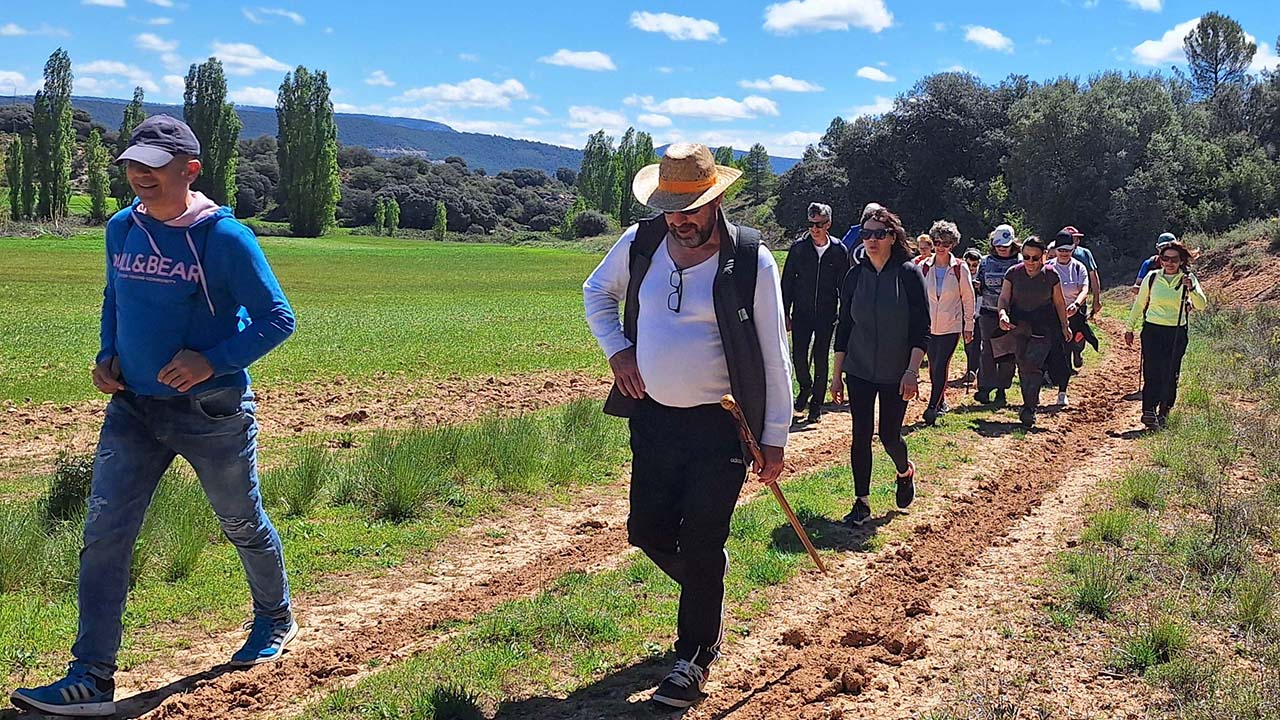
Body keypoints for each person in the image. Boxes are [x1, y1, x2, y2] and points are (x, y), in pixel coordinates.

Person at [10, 116, 298, 718]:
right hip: (133, 409)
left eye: (154, 165)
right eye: (132, 164)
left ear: (190, 170)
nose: (139, 174)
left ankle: (275, 617)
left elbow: (277, 318)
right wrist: (106, 353)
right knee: (104, 536)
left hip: (209, 410)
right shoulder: (122, 227)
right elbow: (116, 296)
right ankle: (91, 677)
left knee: (241, 521)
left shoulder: (226, 239)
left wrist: (210, 361)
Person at [583, 143, 791, 709]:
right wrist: (618, 351)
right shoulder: (641, 242)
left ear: (716, 199)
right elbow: (596, 293)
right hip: (652, 420)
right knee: (646, 533)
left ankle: (694, 655)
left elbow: (774, 354)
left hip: (721, 427)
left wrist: (775, 436)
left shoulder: (752, 259)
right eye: (671, 208)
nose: (681, 220)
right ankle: (707, 584)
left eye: (692, 207)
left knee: (701, 541)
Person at [830, 206, 928, 527]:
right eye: (866, 234)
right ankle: (861, 502)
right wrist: (836, 376)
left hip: (896, 372)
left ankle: (904, 470)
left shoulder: (908, 274)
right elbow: (844, 326)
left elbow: (920, 329)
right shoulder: (854, 275)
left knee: (888, 436)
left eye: (879, 234)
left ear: (892, 237)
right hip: (858, 369)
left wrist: (911, 371)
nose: (872, 240)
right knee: (860, 435)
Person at [1125, 239, 1207, 428]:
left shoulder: (1189, 279)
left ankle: (1165, 409)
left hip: (1177, 331)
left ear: (1181, 261)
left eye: (1174, 259)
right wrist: (1129, 328)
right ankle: (1148, 410)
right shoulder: (1152, 277)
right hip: (1153, 330)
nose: (1169, 263)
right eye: (1165, 259)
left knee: (1171, 372)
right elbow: (1140, 303)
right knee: (1152, 371)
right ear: (1160, 260)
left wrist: (1191, 289)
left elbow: (1201, 305)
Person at [781, 202, 849, 423]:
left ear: (828, 223)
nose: (814, 228)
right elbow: (787, 283)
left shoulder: (839, 250)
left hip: (827, 313)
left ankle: (816, 405)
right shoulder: (798, 249)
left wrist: (845, 312)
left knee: (821, 357)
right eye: (811, 224)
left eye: (819, 224)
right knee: (798, 356)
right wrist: (785, 312)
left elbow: (844, 284)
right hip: (801, 312)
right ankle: (805, 387)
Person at [997, 236, 1073, 428]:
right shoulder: (1013, 273)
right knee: (1022, 364)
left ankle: (1029, 408)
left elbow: (1059, 302)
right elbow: (1004, 298)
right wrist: (1002, 314)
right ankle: (1029, 403)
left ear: (1044, 257)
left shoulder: (1051, 275)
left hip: (1044, 327)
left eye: (1035, 258)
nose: (1030, 262)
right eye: (1026, 257)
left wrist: (1065, 325)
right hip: (1019, 325)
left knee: (1033, 363)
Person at [918, 220, 975, 425]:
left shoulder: (960, 268)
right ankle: (941, 401)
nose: (941, 247)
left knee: (941, 364)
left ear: (953, 245)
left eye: (946, 243)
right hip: (928, 326)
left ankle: (932, 407)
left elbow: (968, 298)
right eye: (937, 242)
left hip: (951, 325)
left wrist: (969, 325)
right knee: (933, 365)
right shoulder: (923, 267)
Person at [974, 224, 1021, 405]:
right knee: (987, 350)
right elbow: (980, 284)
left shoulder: (1019, 261)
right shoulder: (985, 262)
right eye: (999, 245)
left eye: (1006, 246)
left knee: (1008, 353)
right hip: (988, 311)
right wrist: (977, 286)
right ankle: (985, 388)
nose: (1002, 249)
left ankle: (1002, 390)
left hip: (1012, 314)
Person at [1047, 239, 1090, 404]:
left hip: (1073, 316)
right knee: (1048, 351)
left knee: (1066, 353)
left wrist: (1077, 304)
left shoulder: (1079, 267)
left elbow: (1085, 288)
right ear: (1056, 250)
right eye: (1061, 250)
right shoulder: (1048, 267)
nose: (1064, 253)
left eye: (1068, 250)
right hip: (1050, 316)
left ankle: (1062, 392)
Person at [1059, 225, 1102, 318]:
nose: (1075, 241)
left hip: (1079, 303)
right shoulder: (1054, 253)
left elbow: (1093, 277)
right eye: (1072, 238)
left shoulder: (1085, 253)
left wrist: (1096, 300)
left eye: (1077, 238)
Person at [962, 248, 983, 384]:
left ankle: (974, 370)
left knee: (977, 343)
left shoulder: (982, 276)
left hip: (980, 314)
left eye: (974, 265)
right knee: (967, 344)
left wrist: (980, 288)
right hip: (965, 315)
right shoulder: (962, 276)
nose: (972, 268)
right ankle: (970, 368)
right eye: (969, 265)